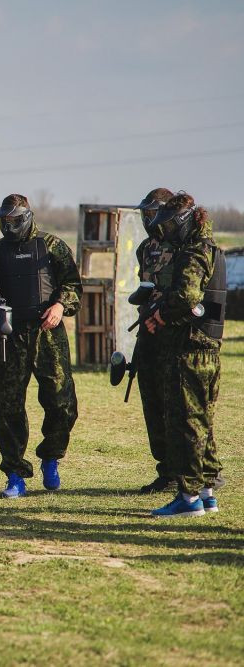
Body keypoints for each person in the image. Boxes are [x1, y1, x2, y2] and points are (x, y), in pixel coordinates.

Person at [0, 194, 82, 498]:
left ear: (27, 217)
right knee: (8, 408)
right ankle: (15, 473)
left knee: (62, 403)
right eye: (4, 221)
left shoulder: (52, 246)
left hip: (48, 335)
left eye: (14, 220)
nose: (9, 226)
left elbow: (73, 285)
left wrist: (59, 305)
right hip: (10, 338)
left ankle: (51, 456)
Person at [144, 193, 225, 517]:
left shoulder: (193, 252)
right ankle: (206, 493)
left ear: (183, 221)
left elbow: (186, 295)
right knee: (202, 424)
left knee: (186, 424)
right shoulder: (210, 248)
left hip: (189, 349)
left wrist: (161, 315)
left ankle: (188, 497)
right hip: (206, 347)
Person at [131, 188, 177, 494]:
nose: (150, 220)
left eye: (153, 213)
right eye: (145, 214)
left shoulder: (184, 246)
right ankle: (166, 470)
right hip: (148, 332)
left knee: (180, 404)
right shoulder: (145, 248)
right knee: (152, 401)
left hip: (175, 333)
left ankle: (192, 469)